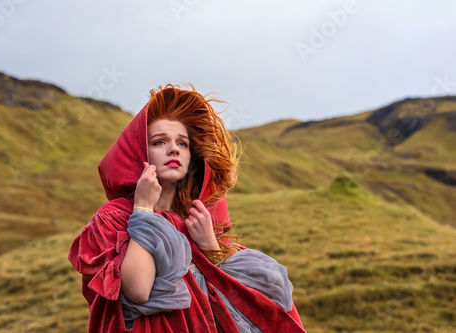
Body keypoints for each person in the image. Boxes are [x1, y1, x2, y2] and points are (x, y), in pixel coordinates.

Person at [68, 84, 306, 332]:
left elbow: (240, 304)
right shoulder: (113, 218)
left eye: (182, 144)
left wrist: (210, 248)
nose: (173, 149)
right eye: (159, 142)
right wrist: (143, 210)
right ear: (140, 153)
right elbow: (138, 291)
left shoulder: (199, 218)